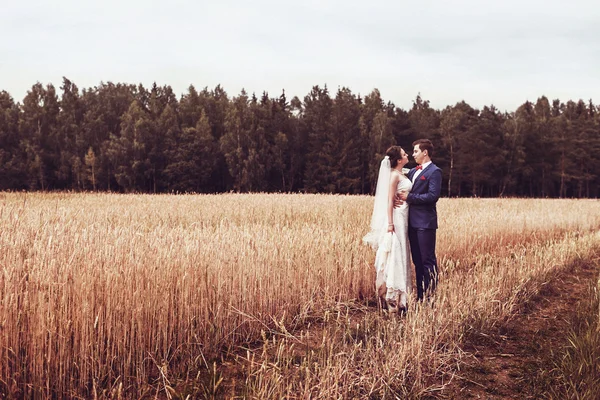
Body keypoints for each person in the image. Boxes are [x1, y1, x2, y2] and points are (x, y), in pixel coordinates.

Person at [363, 146, 412, 313]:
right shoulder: (393, 176)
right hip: (396, 219)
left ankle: (401, 298)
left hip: (404, 217)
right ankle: (391, 296)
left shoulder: (402, 173)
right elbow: (390, 201)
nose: (408, 155)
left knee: (402, 252)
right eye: (405, 154)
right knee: (394, 254)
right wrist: (390, 224)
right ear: (399, 160)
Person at [398, 139, 442, 302]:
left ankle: (431, 297)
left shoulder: (435, 171)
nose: (413, 154)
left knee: (427, 260)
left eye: (415, 151)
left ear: (425, 152)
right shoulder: (414, 171)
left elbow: (433, 196)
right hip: (411, 223)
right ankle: (421, 296)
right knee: (417, 260)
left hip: (425, 223)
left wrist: (410, 197)